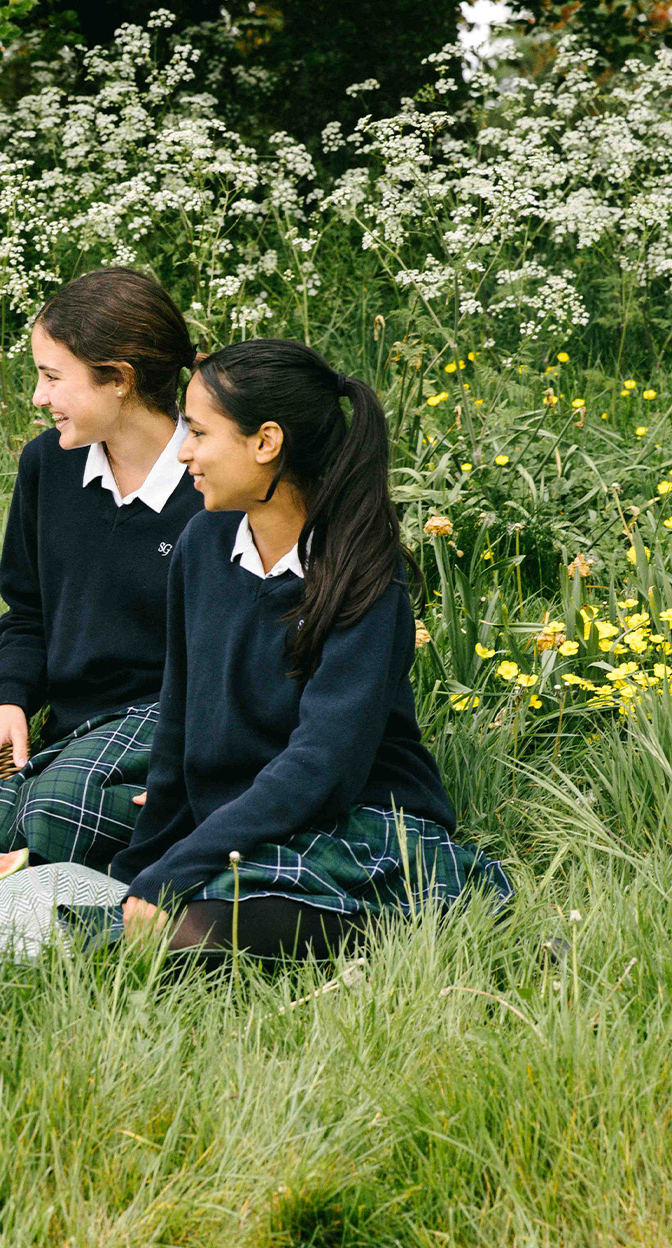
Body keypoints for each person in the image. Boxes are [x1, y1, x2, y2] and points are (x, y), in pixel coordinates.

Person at [109, 339, 511, 960]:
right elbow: (178, 720)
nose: (183, 452)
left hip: (359, 817)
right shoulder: (202, 543)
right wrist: (144, 867)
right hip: (247, 823)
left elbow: (320, 770)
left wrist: (179, 869)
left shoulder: (363, 578)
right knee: (120, 907)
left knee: (189, 937)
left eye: (198, 432)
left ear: (266, 442)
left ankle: (407, 930)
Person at [0, 268, 205, 869]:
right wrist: (9, 700)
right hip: (76, 737)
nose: (38, 397)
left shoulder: (213, 488)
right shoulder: (48, 464)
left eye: (51, 377)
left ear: (119, 380)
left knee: (49, 813)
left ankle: (201, 812)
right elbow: (27, 612)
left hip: (174, 723)